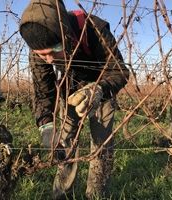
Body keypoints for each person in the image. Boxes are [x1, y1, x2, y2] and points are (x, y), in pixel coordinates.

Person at [19, 0, 129, 199]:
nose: (50, 59)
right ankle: (62, 193)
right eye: (42, 55)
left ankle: (97, 193)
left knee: (101, 143)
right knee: (65, 142)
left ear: (65, 33)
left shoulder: (94, 28)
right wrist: (46, 125)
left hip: (102, 87)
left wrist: (97, 90)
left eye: (55, 50)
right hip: (70, 88)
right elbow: (44, 89)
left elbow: (119, 71)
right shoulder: (38, 44)